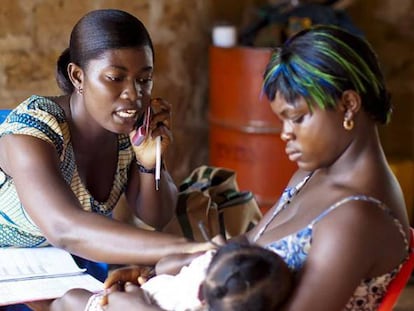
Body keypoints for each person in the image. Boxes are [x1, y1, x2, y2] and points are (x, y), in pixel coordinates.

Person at [53, 24, 411, 311]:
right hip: (201, 294)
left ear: (348, 105)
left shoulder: (356, 219)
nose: (285, 135)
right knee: (70, 298)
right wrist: (154, 271)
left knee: (69, 302)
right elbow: (243, 247)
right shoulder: (314, 174)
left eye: (297, 118)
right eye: (282, 120)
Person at [0, 9, 213, 310]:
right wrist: (191, 250)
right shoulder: (32, 131)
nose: (134, 95)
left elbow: (158, 214)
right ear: (78, 76)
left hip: (50, 269)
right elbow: (64, 228)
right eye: (116, 78)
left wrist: (150, 162)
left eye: (145, 79)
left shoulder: (127, 132)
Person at [50, 242, 294, 311]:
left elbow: (165, 264)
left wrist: (193, 257)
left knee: (70, 299)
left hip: (116, 305)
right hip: (129, 297)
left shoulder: (208, 266)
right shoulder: (220, 285)